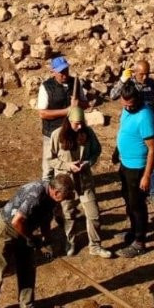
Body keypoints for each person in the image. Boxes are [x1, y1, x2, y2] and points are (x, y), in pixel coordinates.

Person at [0, 174, 76, 308]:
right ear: (55, 191)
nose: (64, 200)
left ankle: (26, 305)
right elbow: (16, 221)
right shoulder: (36, 194)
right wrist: (30, 238)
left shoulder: (52, 198)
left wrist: (46, 241)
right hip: (7, 229)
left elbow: (46, 218)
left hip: (25, 229)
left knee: (28, 267)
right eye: (63, 197)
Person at [48, 106, 113, 258]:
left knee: (93, 214)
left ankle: (95, 246)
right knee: (68, 214)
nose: (79, 126)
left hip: (84, 180)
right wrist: (67, 166)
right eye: (76, 123)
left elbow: (97, 151)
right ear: (68, 121)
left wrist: (88, 163)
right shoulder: (57, 135)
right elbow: (50, 159)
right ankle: (70, 241)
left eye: (81, 123)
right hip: (65, 183)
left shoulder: (88, 133)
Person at [109, 59, 154, 210]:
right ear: (135, 73)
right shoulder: (129, 83)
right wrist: (122, 80)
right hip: (133, 128)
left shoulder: (152, 84)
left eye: (147, 73)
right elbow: (113, 95)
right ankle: (138, 193)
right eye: (142, 74)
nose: (145, 77)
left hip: (149, 127)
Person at [114, 81, 154, 258]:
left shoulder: (145, 116)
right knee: (128, 201)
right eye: (124, 104)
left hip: (138, 169)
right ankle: (133, 231)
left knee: (138, 205)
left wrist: (147, 176)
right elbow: (124, 130)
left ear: (138, 100)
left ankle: (139, 242)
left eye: (130, 105)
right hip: (125, 165)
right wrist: (117, 150)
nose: (127, 108)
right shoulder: (126, 110)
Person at [37, 56, 86, 181]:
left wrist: (78, 103)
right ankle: (47, 189)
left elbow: (86, 104)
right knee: (49, 165)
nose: (64, 74)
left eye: (66, 70)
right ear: (53, 72)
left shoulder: (75, 82)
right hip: (51, 132)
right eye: (61, 72)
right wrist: (67, 111)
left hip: (71, 132)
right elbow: (42, 113)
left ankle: (69, 188)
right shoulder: (46, 87)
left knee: (70, 162)